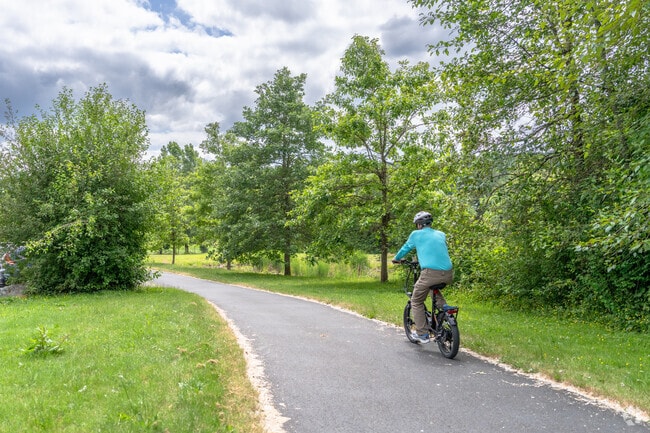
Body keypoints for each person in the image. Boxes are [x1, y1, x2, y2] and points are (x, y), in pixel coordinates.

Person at [392, 211, 454, 344]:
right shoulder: (441, 234)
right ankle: (445, 309)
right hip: (449, 273)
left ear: (419, 225)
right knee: (430, 287)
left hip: (430, 273)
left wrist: (396, 259)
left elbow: (405, 248)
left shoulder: (416, 235)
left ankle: (423, 334)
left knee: (416, 300)